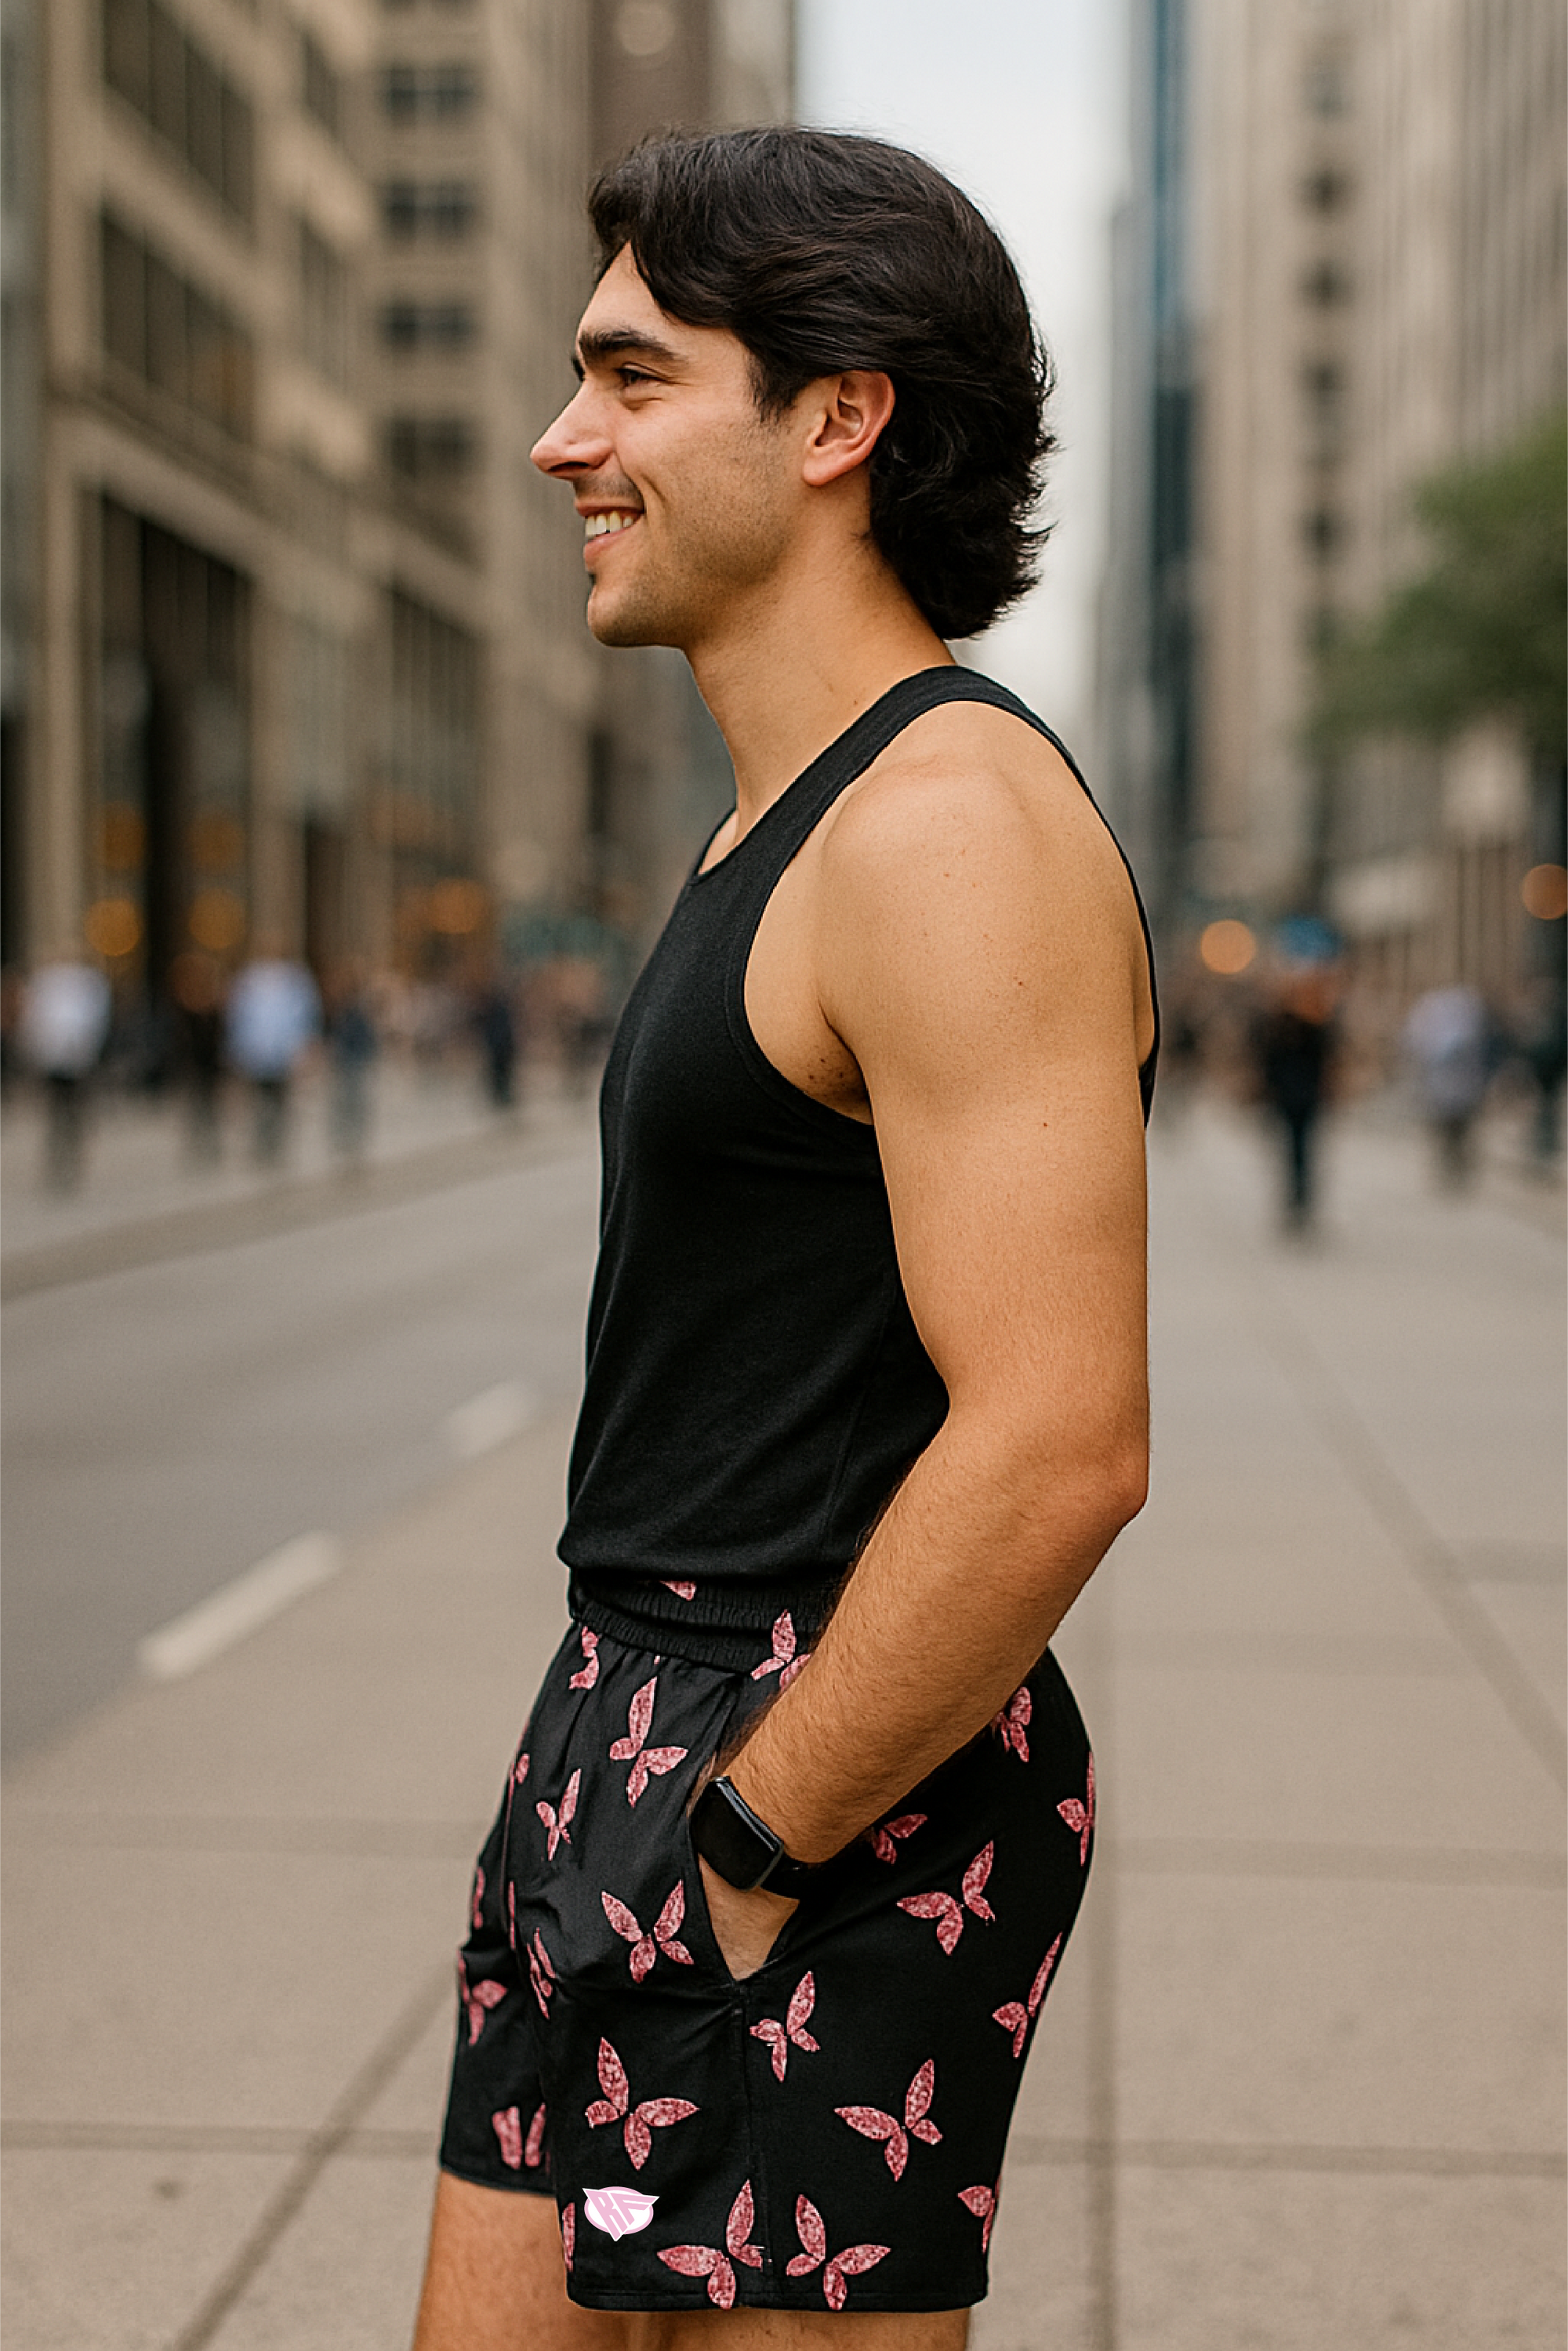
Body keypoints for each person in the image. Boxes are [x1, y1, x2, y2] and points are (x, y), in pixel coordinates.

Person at [413, 130, 1157, 2349]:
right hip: (631, 1720)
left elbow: (1058, 1441)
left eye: (634, 380)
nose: (566, 440)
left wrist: (744, 1847)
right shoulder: (795, 803)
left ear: (836, 419)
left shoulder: (942, 825)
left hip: (806, 1769)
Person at [1250, 967, 1338, 1232]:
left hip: (1301, 1097)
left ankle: (1299, 1200)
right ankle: (1296, 1200)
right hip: (1291, 1097)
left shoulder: (1312, 1026)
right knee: (1295, 1150)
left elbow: (1325, 1062)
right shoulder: (1282, 1025)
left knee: (1299, 1150)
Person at [18, 952, 112, 1190]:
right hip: (55, 1057)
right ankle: (58, 1157)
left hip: (77, 1057)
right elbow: (35, 1020)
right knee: (57, 1112)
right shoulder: (47, 983)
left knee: (73, 1112)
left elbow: (94, 1018)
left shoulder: (85, 983)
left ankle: (71, 1153)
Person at [225, 944, 320, 1164]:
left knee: (279, 1102)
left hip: (283, 1055)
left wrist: (304, 1048)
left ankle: (276, 1142)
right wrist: (238, 1050)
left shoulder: (295, 981)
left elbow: (305, 1017)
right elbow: (238, 1019)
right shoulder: (248, 981)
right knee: (260, 1101)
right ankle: (263, 1142)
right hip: (257, 1055)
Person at [1403, 982, 1491, 1188]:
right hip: (1446, 1089)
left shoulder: (1462, 1019)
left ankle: (1455, 1167)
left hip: (1459, 1088)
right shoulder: (1438, 1017)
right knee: (1449, 1130)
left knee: (1458, 1130)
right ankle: (1450, 1167)